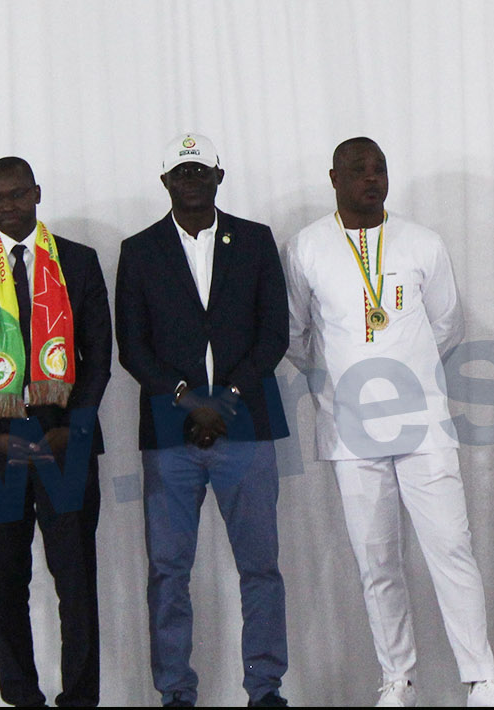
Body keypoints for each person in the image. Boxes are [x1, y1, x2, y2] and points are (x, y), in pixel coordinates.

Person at [285, 137, 494, 708]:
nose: (372, 178)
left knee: (451, 549)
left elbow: (448, 324)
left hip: (423, 426)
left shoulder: (422, 242)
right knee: (377, 561)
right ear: (333, 177)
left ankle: (481, 679)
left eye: (380, 168)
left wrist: (401, 375)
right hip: (349, 430)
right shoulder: (306, 248)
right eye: (359, 170)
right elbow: (296, 336)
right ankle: (398, 681)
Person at [116, 133, 291, 708]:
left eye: (200, 171)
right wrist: (190, 399)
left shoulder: (257, 241)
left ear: (220, 175)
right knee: (168, 573)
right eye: (180, 173)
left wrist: (230, 395)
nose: (191, 181)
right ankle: (176, 693)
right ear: (164, 181)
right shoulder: (139, 251)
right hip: (172, 433)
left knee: (260, 568)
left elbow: (275, 334)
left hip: (247, 426)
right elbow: (132, 347)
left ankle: (265, 689)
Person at [0, 157, 111, 707]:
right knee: (5, 581)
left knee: (76, 582)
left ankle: (79, 698)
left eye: (16, 194)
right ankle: (21, 697)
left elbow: (100, 355)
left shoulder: (77, 262)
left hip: (64, 442)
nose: (7, 206)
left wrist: (75, 429)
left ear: (37, 193)